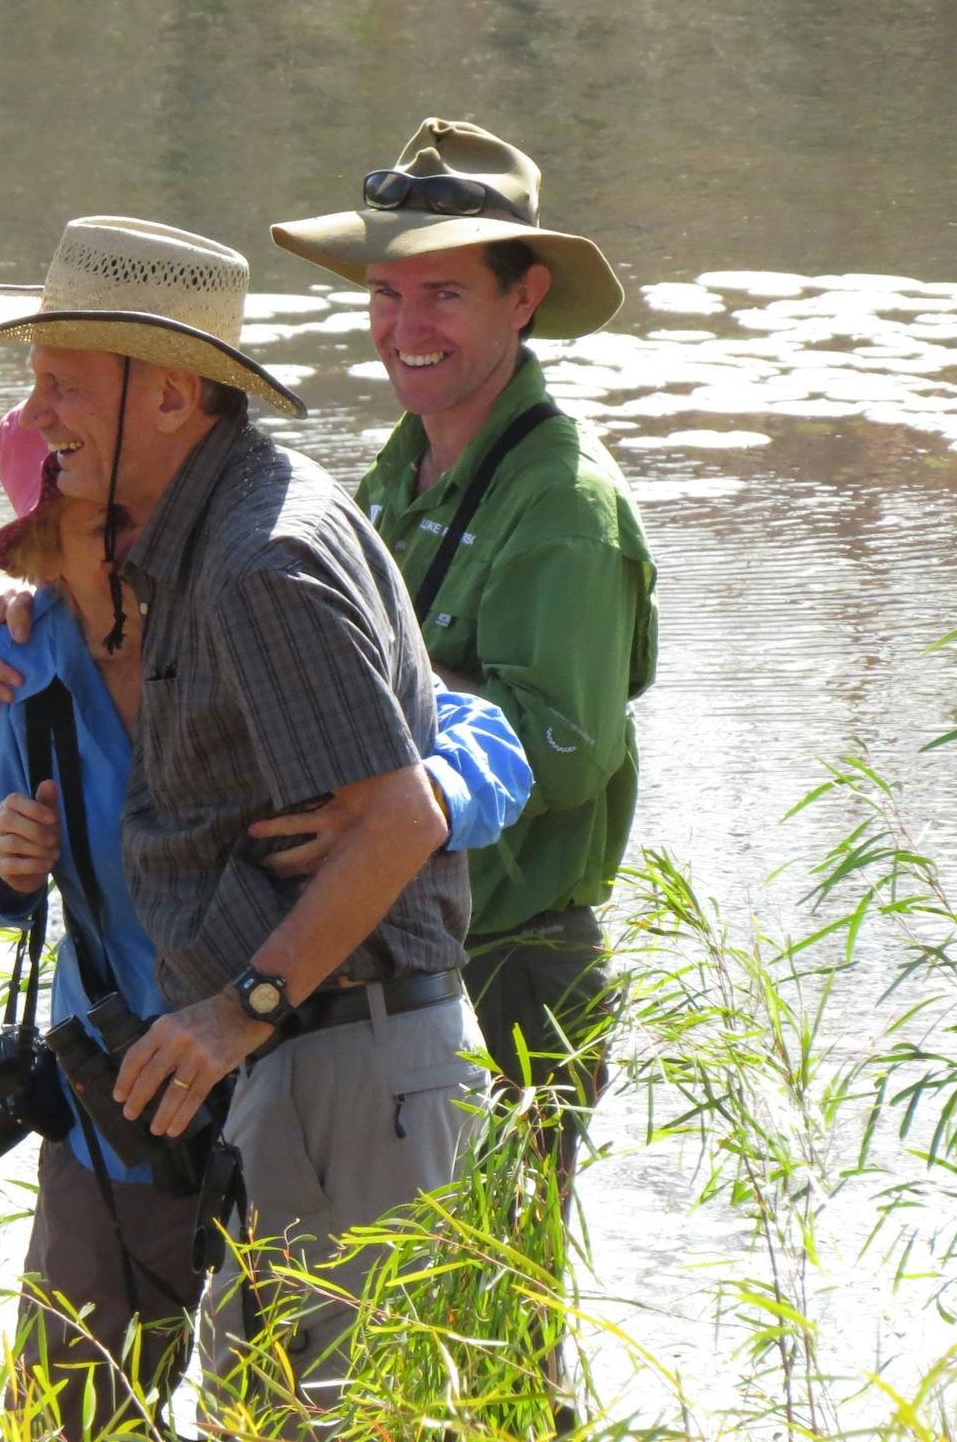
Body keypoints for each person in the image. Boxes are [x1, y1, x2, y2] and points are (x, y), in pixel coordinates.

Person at [0, 215, 487, 1420]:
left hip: (336, 1057)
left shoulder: (255, 561)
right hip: (317, 1062)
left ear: (176, 394)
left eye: (62, 384)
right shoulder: (217, 530)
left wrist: (235, 1011)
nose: (36, 417)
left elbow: (398, 814)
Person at [268, 117, 658, 1203]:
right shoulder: (404, 460)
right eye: (385, 294)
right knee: (371, 1310)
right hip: (401, 944)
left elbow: (564, 753)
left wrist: (373, 767)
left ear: (523, 297)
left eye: (442, 295)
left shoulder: (564, 503)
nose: (402, 327)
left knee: (501, 1328)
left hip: (510, 961)